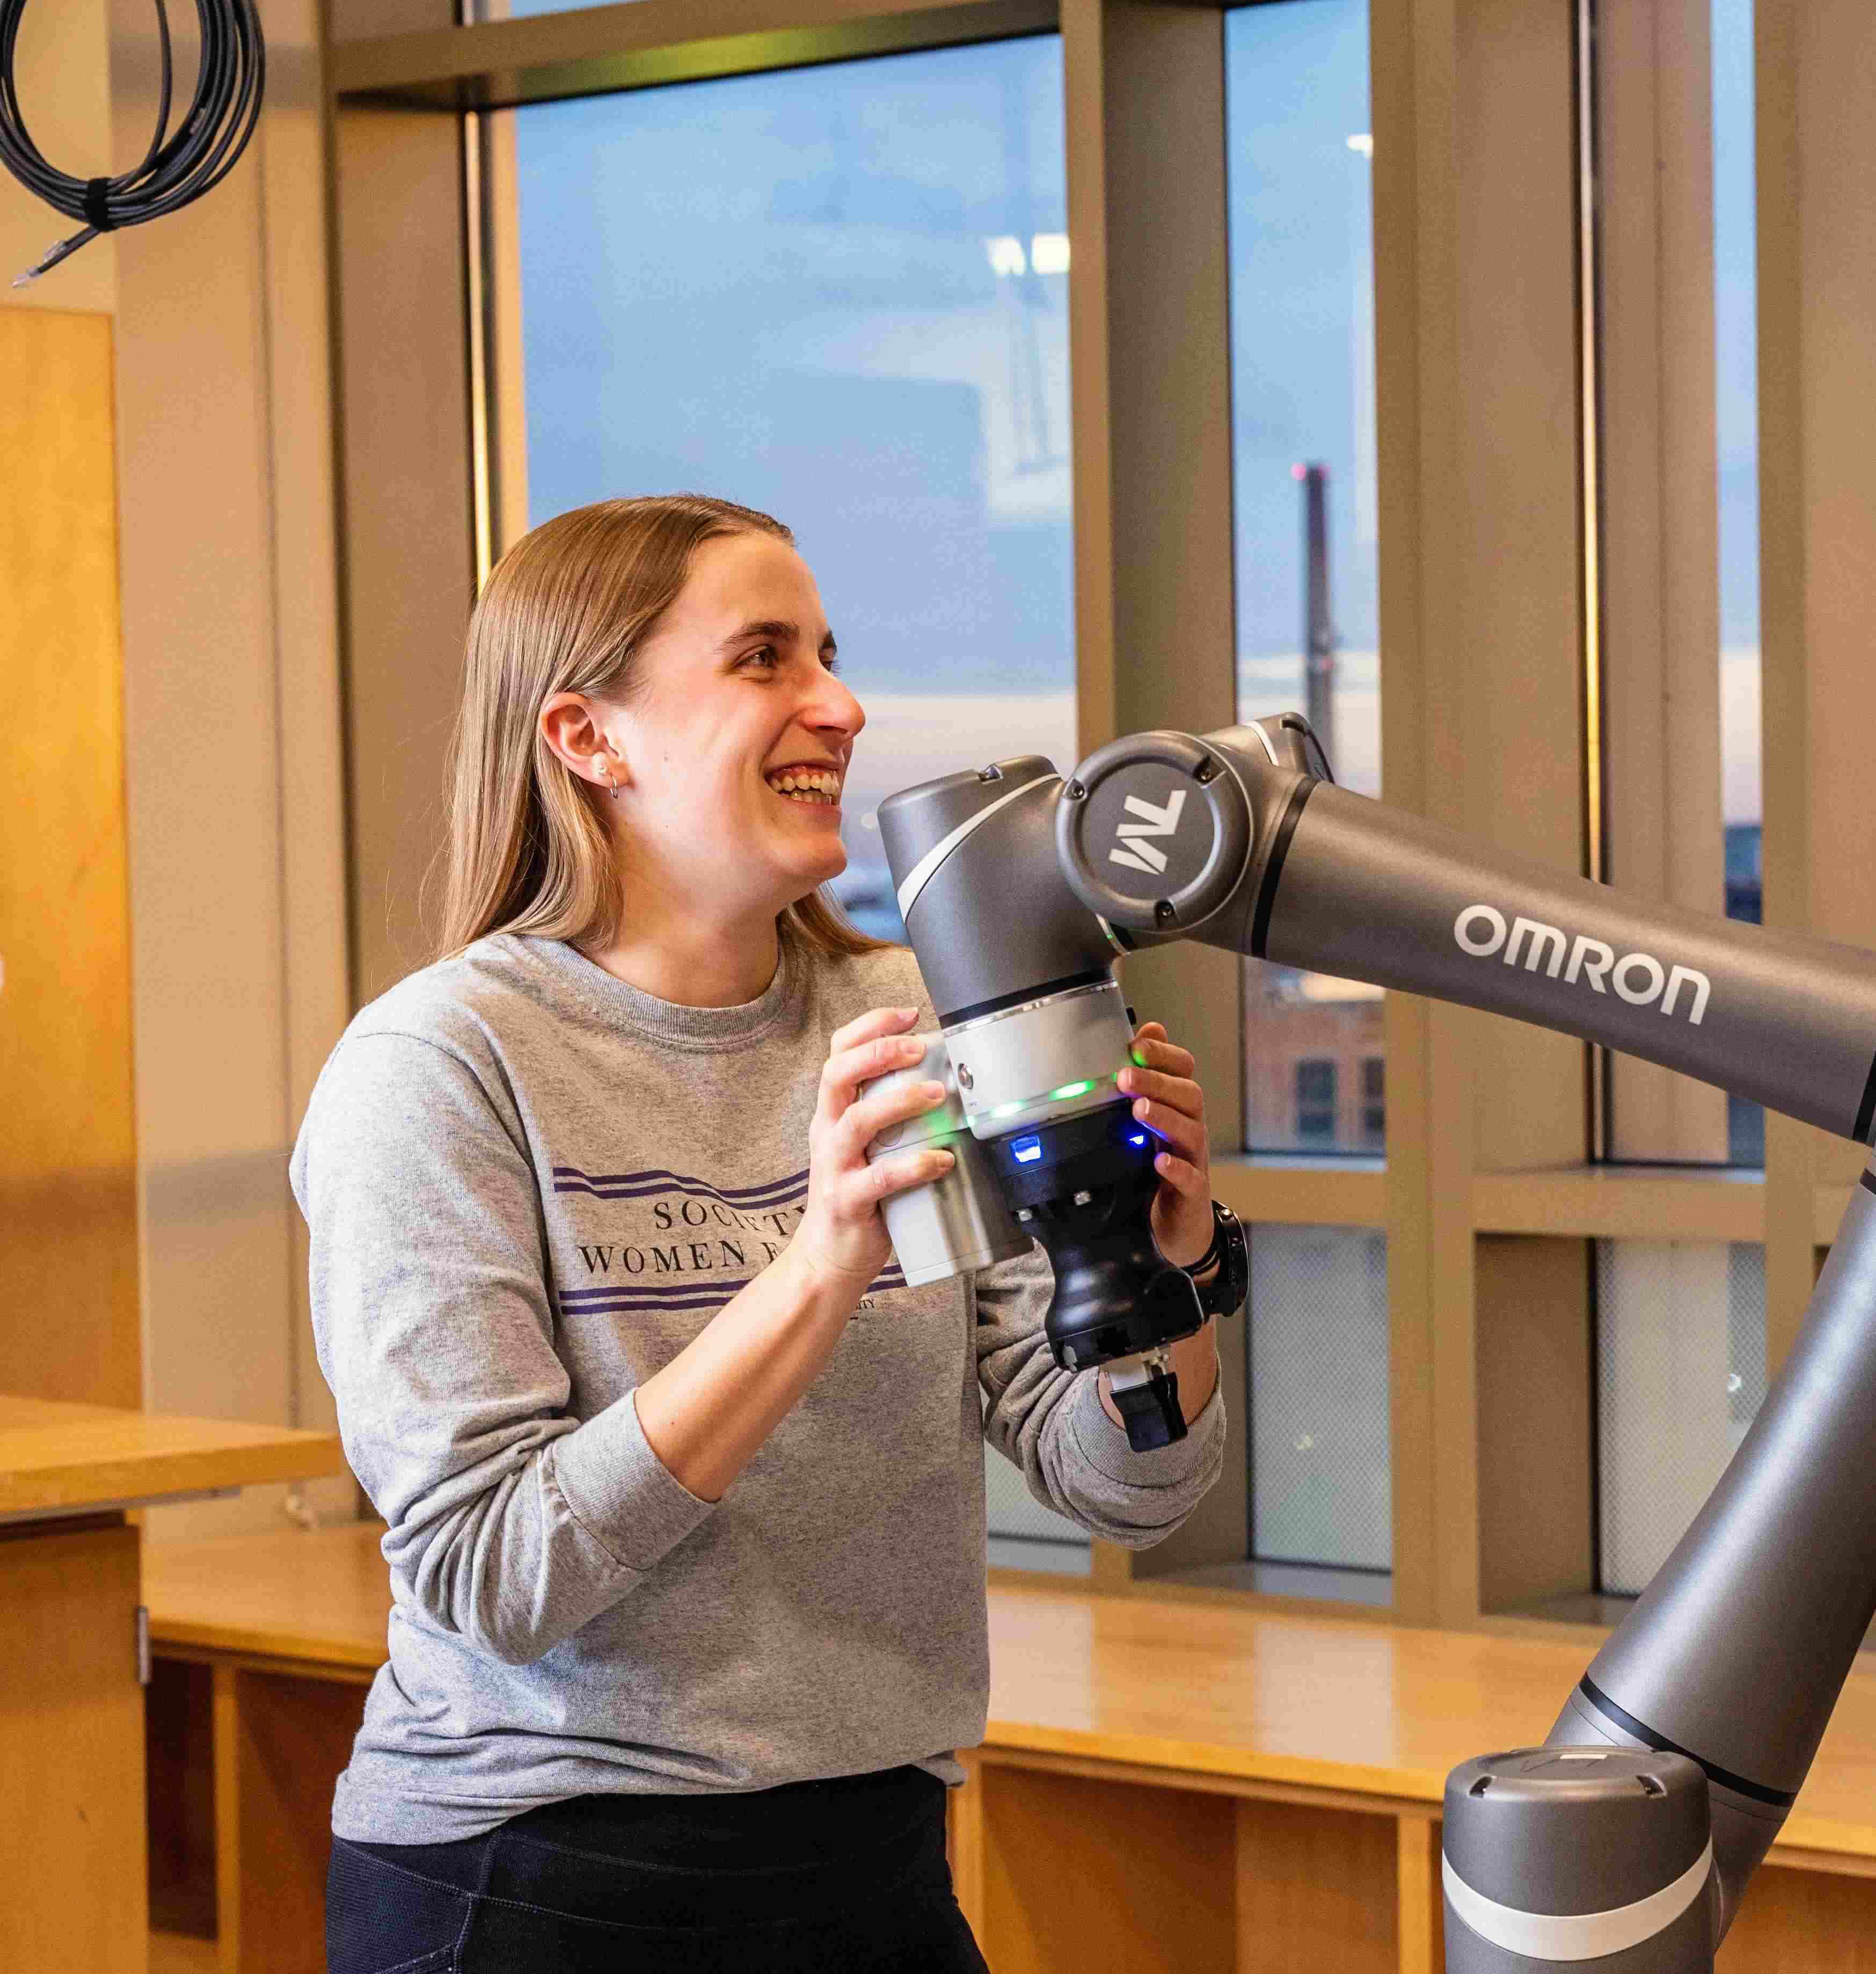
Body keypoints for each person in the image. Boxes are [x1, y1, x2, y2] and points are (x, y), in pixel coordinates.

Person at [295, 494, 1236, 1972]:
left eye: (831, 655)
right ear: (587, 740)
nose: (841, 707)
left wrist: (1165, 1277)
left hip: (866, 1855)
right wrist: (815, 1272)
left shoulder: (900, 1029)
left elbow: (1125, 1483)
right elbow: (487, 1570)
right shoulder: (444, 1066)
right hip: (533, 1877)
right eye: (763, 660)